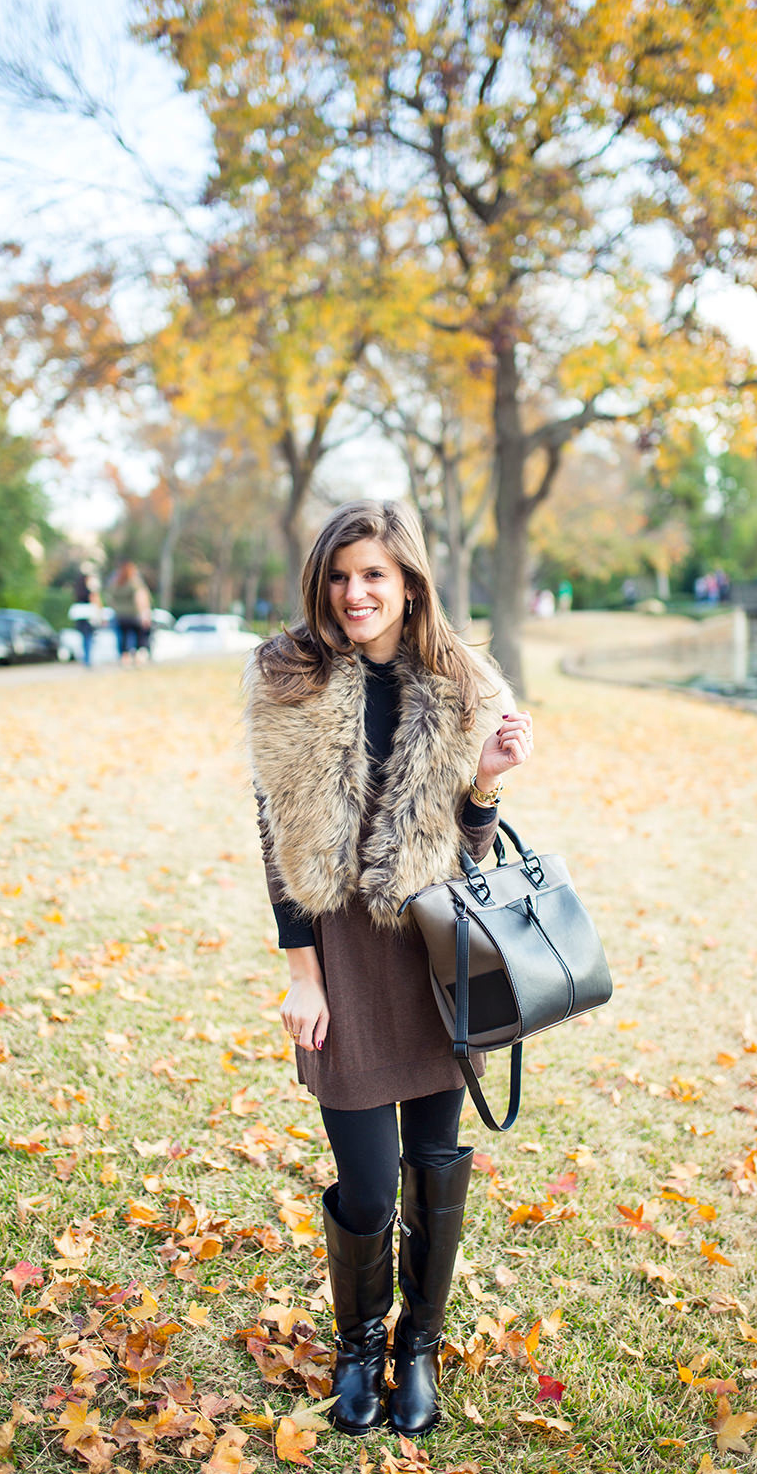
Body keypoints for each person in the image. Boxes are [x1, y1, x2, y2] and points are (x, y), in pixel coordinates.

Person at [244, 500, 533, 1438]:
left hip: (434, 958)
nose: (354, 593)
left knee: (433, 1165)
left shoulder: (460, 681)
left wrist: (485, 782)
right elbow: (277, 837)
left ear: (409, 581)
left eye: (373, 574)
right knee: (367, 1187)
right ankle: (358, 1345)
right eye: (339, 575)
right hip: (343, 960)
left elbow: (470, 852)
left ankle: (417, 1347)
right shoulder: (290, 676)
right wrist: (303, 975)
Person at [109, 562, 152, 665]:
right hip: (134, 615)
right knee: (139, 637)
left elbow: (110, 599)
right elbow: (140, 598)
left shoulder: (116, 583)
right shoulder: (134, 582)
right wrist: (145, 614)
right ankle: (138, 659)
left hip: (120, 616)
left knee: (123, 638)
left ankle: (125, 660)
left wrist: (117, 609)